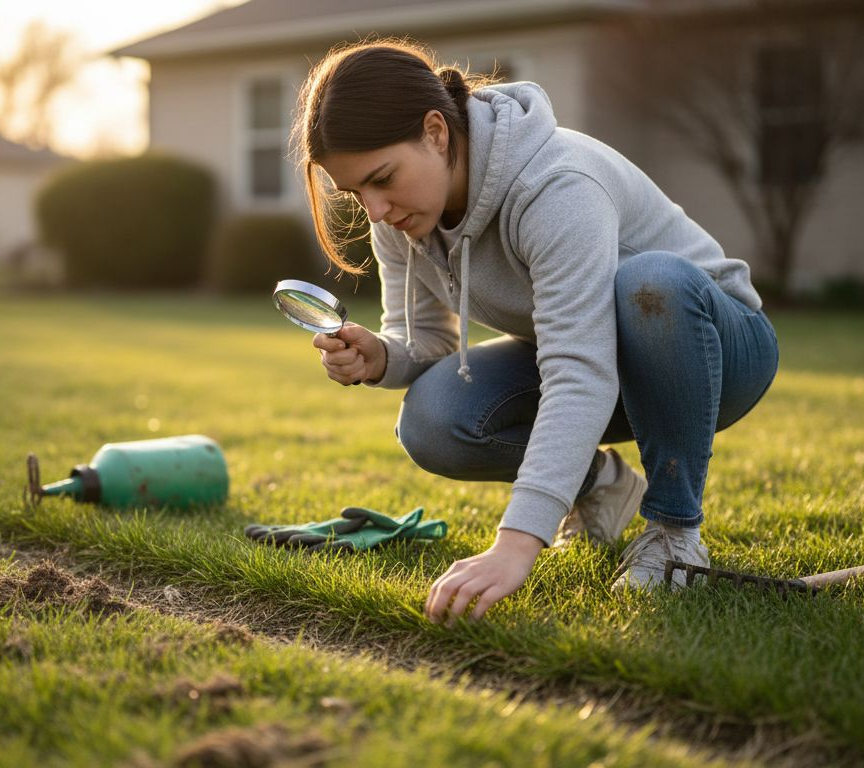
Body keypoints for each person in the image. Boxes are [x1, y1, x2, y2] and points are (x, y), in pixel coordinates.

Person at [293, 40, 778, 625]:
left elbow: (579, 370)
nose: (373, 210)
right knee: (433, 417)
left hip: (716, 350)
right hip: (597, 361)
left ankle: (674, 530)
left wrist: (516, 544)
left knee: (654, 283)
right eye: (354, 193)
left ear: (436, 131)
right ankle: (600, 485)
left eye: (382, 178)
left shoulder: (555, 186)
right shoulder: (401, 217)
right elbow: (430, 343)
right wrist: (381, 357)